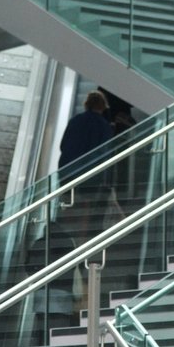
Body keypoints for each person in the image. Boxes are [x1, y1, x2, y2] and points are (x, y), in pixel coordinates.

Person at [58, 90, 114, 241]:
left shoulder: (75, 120)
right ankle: (80, 241)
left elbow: (63, 145)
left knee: (66, 207)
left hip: (67, 172)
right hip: (91, 177)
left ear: (86, 104)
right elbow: (105, 154)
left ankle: (61, 237)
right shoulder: (104, 126)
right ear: (103, 106)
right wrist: (106, 180)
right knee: (85, 210)